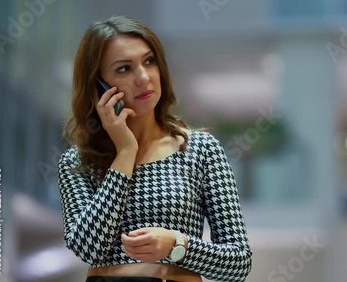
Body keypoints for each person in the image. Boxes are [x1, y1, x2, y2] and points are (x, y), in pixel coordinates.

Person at [58, 15, 252, 282]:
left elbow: (238, 263)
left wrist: (176, 246)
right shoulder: (78, 162)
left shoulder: (200, 150)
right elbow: (88, 249)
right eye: (124, 68)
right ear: (98, 86)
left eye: (149, 61)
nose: (143, 77)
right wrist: (125, 152)